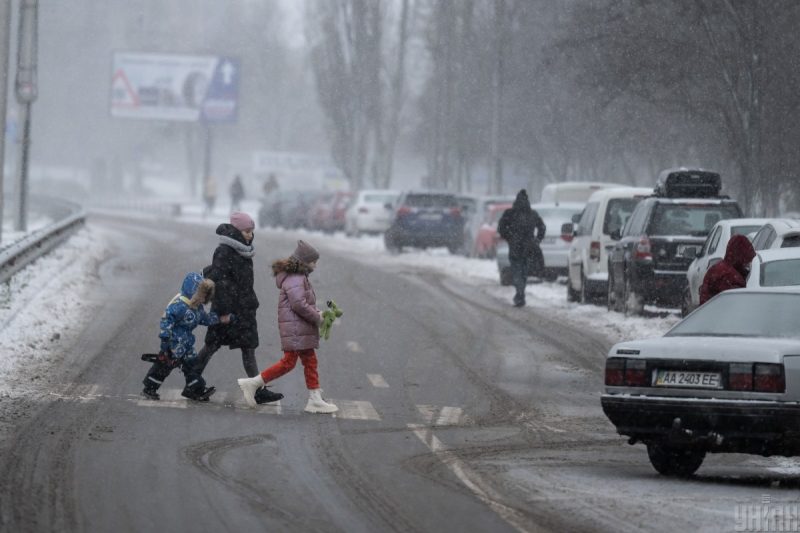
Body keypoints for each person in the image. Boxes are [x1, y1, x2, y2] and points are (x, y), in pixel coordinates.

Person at [191, 212, 283, 404]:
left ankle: (257, 390)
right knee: (211, 346)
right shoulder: (225, 251)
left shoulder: (243, 250)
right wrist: (224, 312)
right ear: (236, 231)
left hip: (244, 308)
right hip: (228, 310)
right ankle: (192, 381)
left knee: (248, 348)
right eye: (246, 231)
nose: (250, 235)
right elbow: (221, 282)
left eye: (251, 231)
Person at [237, 240, 338, 414]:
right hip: (296, 328)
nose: (315, 265)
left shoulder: (297, 276)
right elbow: (298, 304)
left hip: (298, 327)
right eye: (313, 262)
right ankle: (253, 383)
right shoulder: (296, 278)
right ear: (304, 261)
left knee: (309, 361)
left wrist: (319, 314)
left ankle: (315, 398)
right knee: (289, 363)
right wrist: (317, 318)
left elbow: (303, 303)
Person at [142, 272, 230, 401]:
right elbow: (166, 320)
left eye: (206, 296)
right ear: (193, 292)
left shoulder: (196, 308)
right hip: (174, 343)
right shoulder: (179, 306)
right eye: (202, 295)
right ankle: (150, 388)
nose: (204, 299)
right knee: (164, 366)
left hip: (186, 343)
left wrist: (220, 319)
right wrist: (165, 339)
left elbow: (204, 319)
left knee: (191, 366)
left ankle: (195, 390)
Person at [497, 189, 546, 307]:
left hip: (515, 247)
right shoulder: (532, 214)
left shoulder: (509, 213)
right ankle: (521, 292)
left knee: (517, 270)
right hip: (529, 247)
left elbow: (501, 228)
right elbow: (542, 227)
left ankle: (519, 293)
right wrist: (537, 240)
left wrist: (509, 238)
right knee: (524, 271)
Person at [699, 234, 755, 305]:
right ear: (741, 256)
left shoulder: (720, 268)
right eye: (748, 261)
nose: (748, 264)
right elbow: (736, 304)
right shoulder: (729, 276)